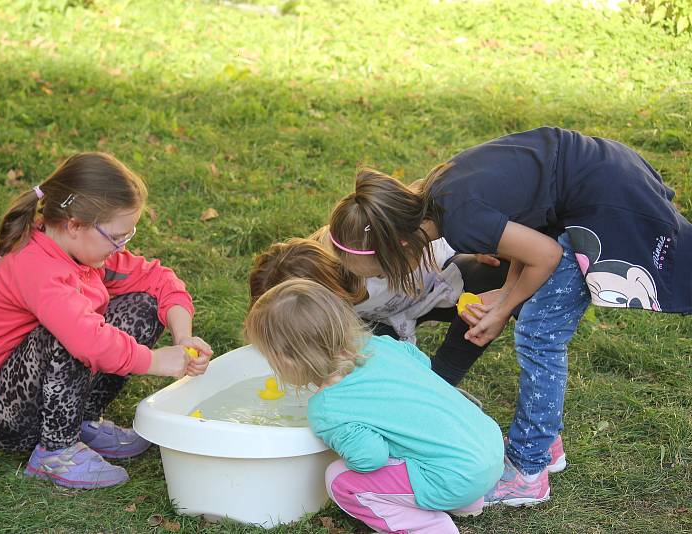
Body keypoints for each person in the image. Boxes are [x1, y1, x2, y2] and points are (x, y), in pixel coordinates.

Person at [327, 126, 692, 506]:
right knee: (536, 322)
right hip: (599, 175)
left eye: (380, 270)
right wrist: (506, 294)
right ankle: (544, 443)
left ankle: (528, 470)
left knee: (539, 336)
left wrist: (502, 310)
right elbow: (529, 228)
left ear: (400, 245)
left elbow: (546, 255)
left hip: (605, 200)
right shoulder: (440, 196)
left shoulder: (460, 221)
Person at [0, 152, 213, 489]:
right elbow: (87, 340)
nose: (120, 245)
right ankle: (56, 450)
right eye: (117, 236)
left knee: (144, 305)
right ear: (75, 225)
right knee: (70, 335)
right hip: (3, 415)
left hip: (38, 392)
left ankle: (81, 421)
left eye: (127, 236)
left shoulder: (85, 252)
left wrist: (183, 339)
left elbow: (159, 280)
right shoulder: (37, 268)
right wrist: (154, 361)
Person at [244, 278, 504, 534]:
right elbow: (421, 363)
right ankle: (466, 503)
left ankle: (427, 527)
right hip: (488, 448)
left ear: (287, 361)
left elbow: (371, 457)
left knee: (339, 480)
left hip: (454, 478)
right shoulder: (382, 345)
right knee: (421, 432)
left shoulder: (327, 407)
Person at [249, 229, 508, 386]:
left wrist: (473, 246)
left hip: (438, 284)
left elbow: (426, 222)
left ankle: (443, 376)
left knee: (489, 276)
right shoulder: (329, 306)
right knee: (368, 365)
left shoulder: (364, 254)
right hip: (388, 317)